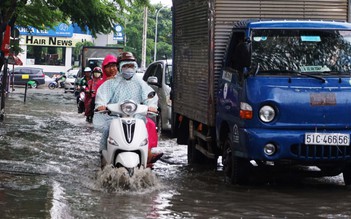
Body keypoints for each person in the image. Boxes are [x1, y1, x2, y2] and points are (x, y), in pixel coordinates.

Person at [94, 52, 163, 165]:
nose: (128, 69)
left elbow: (150, 96)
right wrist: (101, 105)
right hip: (115, 117)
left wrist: (152, 106)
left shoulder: (140, 83)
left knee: (149, 125)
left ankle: (148, 152)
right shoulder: (111, 83)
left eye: (131, 66)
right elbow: (102, 96)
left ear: (135, 66)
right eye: (125, 66)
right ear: (120, 67)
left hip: (137, 116)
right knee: (107, 128)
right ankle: (104, 153)